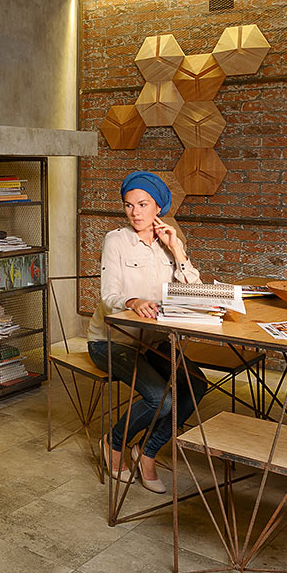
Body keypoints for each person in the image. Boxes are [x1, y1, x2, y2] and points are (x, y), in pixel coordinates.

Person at [87, 170, 206, 493]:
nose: (135, 213)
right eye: (129, 205)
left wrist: (177, 250)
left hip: (154, 341)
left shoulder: (171, 242)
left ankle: (147, 451)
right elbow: (108, 297)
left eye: (143, 204)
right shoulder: (117, 241)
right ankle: (114, 444)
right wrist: (134, 300)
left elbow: (193, 292)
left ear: (158, 207)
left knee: (194, 386)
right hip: (112, 341)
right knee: (160, 399)